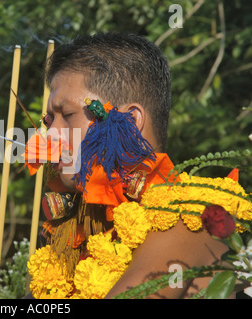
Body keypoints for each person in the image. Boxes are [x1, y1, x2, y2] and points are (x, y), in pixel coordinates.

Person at [26, 32, 228, 298]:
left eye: (69, 115)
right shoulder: (74, 234)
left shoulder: (192, 220)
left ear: (130, 121)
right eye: (51, 119)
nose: (50, 135)